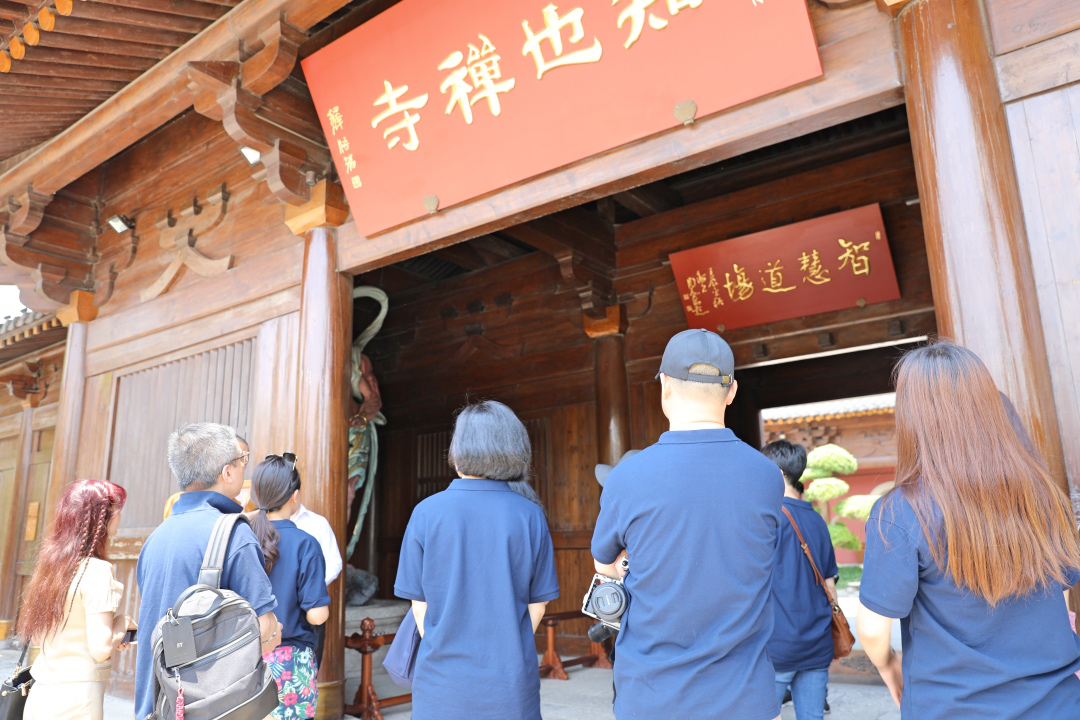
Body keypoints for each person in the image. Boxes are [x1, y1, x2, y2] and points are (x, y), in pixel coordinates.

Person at [858, 342, 1080, 718]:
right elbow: (1062, 596)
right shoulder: (1044, 495)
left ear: (913, 416)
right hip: (1058, 702)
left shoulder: (902, 510)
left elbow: (874, 629)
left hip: (956, 707)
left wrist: (887, 665)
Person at [592, 328, 784, 720]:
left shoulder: (627, 477)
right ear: (731, 392)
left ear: (664, 387)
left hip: (653, 698)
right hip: (746, 698)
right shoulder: (766, 476)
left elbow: (604, 564)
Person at [394, 400, 559, 720]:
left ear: (458, 450)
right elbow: (537, 605)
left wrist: (445, 643)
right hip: (509, 684)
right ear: (513, 449)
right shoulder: (529, 515)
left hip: (441, 683)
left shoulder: (426, 512)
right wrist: (506, 641)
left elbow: (419, 605)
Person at [135, 423, 281, 720]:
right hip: (209, 706)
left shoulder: (155, 538)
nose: (244, 469)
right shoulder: (234, 534)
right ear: (227, 473)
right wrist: (275, 630)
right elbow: (264, 626)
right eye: (243, 461)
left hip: (156, 705)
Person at [17, 479, 134, 720]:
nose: (120, 517)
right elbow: (101, 648)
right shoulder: (96, 570)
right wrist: (123, 623)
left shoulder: (51, 569)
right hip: (78, 699)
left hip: (41, 693)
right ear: (102, 520)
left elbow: (39, 636)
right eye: (116, 511)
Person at [250, 454, 331, 720]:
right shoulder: (305, 543)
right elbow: (317, 614)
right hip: (289, 661)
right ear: (294, 495)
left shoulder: (240, 535)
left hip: (241, 658)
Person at [761, 440, 837, 720]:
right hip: (817, 642)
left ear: (778, 474)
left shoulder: (767, 519)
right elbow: (830, 585)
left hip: (778, 644)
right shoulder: (817, 520)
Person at [291, 499, 342, 667]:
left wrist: (311, 584)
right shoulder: (261, 523)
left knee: (310, 670)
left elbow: (334, 562)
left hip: (311, 603)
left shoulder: (317, 523)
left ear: (295, 493)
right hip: (280, 608)